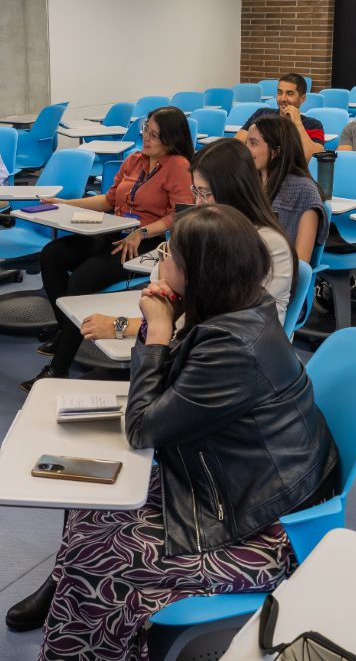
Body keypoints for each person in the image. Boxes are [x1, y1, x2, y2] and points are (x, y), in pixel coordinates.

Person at [29, 205, 338, 660]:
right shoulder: (237, 308)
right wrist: (168, 321)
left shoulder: (233, 344)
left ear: (199, 274)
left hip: (267, 527)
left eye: (168, 255)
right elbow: (172, 392)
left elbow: (142, 428)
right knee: (89, 504)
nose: (160, 263)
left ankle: (80, 620)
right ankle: (69, 603)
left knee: (100, 558)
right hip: (235, 483)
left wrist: (157, 331)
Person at [22, 107, 194, 392]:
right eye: (145, 130)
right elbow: (109, 200)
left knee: (80, 281)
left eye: (154, 135)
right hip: (112, 232)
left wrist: (141, 232)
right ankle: (67, 330)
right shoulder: (134, 159)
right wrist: (65, 204)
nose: (146, 138)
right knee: (52, 255)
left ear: (171, 139)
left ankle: (58, 368)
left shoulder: (179, 167)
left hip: (145, 242)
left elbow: (179, 215)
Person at [80, 139, 297, 344]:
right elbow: (162, 285)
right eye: (196, 192)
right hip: (200, 343)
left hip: (232, 352)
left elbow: (211, 321)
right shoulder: (210, 231)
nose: (198, 203)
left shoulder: (269, 246)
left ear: (234, 191)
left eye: (206, 193)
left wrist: (121, 325)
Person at [246, 113, 329, 263]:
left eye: (253, 143)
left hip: (279, 272)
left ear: (275, 151)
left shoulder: (305, 192)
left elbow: (301, 262)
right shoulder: (249, 182)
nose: (246, 150)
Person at [236, 72, 324, 161]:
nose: (283, 99)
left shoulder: (313, 125)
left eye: (290, 93)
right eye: (279, 93)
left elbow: (313, 160)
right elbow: (236, 146)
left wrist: (297, 123)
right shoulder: (262, 114)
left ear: (302, 99)